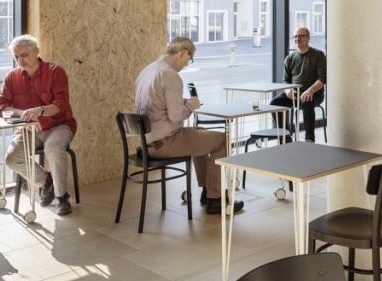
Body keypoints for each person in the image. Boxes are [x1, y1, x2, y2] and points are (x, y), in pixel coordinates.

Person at [134, 37, 243, 214]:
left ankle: (207, 191)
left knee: (201, 133)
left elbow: (159, 105)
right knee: (222, 140)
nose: (186, 64)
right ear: (183, 53)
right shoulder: (171, 75)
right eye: (189, 59)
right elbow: (176, 116)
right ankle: (216, 199)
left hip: (146, 143)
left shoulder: (148, 70)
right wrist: (192, 105)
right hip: (164, 143)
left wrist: (182, 103)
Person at [0, 35, 77, 216]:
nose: (20, 60)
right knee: (11, 158)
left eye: (24, 55)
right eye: (16, 57)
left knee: (53, 148)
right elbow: (1, 108)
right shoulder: (11, 77)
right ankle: (46, 181)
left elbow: (60, 105)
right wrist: (23, 115)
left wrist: (39, 111)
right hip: (27, 128)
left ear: (36, 52)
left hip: (59, 125)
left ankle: (62, 197)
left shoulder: (55, 72)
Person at [269, 27, 326, 142]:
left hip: (314, 94)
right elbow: (285, 81)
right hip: (294, 94)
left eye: (301, 36)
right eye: (295, 36)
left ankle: (309, 139)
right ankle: (285, 138)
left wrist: (310, 91)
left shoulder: (318, 55)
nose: (297, 38)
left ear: (308, 38)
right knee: (274, 103)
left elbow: (322, 79)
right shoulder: (290, 58)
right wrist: (288, 91)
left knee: (307, 101)